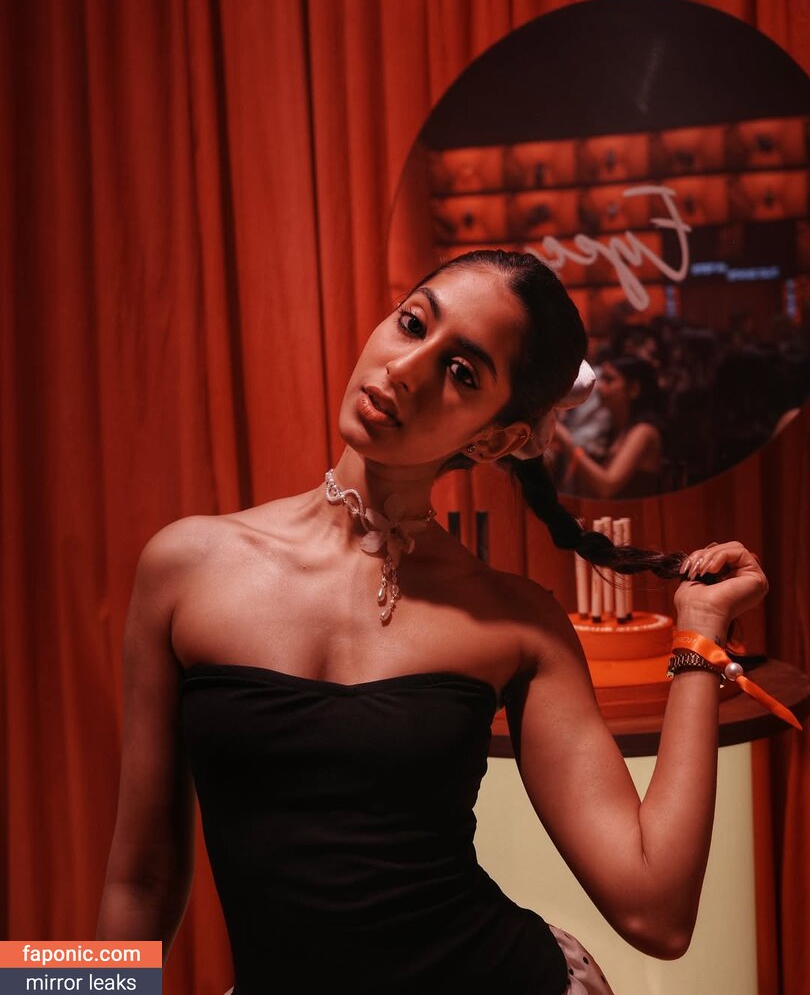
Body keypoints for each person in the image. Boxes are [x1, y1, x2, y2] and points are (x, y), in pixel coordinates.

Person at [96, 249, 777, 995]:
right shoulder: (185, 565)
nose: (404, 368)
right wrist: (53, 985)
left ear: (495, 440)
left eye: (462, 372)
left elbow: (658, 912)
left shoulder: (517, 623)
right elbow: (140, 879)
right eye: (413, 323)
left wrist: (698, 634)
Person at [552, 356, 665, 499]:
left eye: (609, 380)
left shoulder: (644, 432)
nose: (600, 387)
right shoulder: (616, 428)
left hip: (634, 512)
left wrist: (566, 440)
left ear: (633, 389)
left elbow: (607, 487)